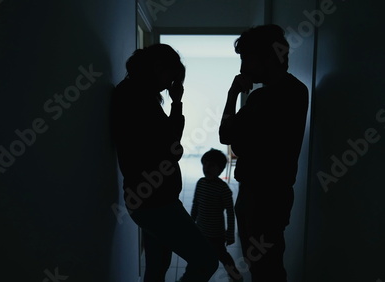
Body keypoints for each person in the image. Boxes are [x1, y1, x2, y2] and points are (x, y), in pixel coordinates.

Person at [111, 43, 218, 282]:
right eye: (171, 76)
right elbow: (170, 146)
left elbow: (167, 142)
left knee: (157, 267)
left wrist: (176, 104)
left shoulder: (135, 94)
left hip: (151, 198)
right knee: (206, 260)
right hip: (155, 202)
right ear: (157, 68)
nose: (171, 83)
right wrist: (173, 150)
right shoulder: (135, 97)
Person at [219, 25, 309, 282]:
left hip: (263, 198)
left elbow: (228, 137)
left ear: (268, 58)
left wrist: (233, 93)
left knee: (265, 268)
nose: (242, 68)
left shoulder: (268, 98)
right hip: (264, 195)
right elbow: (233, 140)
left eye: (246, 59)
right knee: (263, 265)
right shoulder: (294, 91)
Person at [189, 148, 243, 282]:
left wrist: (230, 233)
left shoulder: (223, 189)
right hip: (200, 231)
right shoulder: (200, 183)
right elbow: (195, 204)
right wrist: (190, 224)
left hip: (216, 235)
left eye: (211, 165)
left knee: (223, 256)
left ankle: (235, 276)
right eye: (205, 164)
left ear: (220, 169)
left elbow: (230, 213)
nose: (206, 167)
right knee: (198, 257)